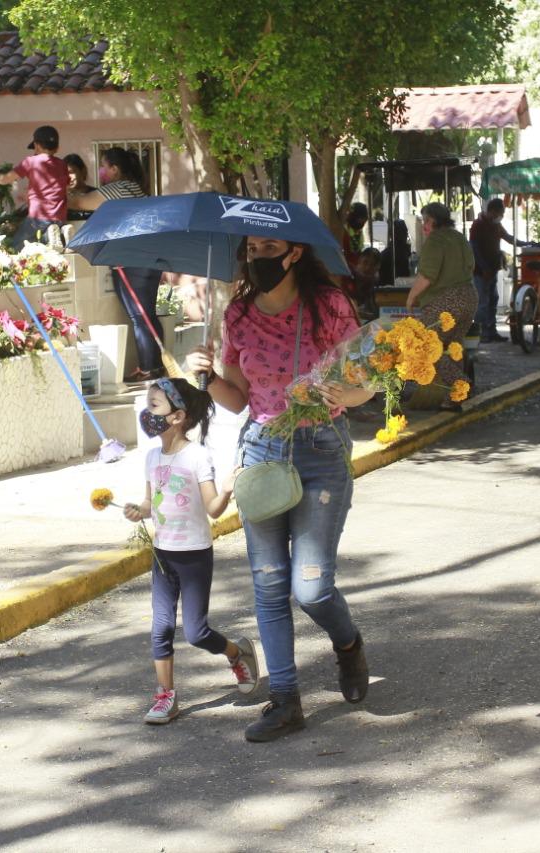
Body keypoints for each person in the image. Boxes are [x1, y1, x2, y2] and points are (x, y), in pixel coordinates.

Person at [184, 237, 374, 743]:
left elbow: (368, 381)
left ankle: (349, 645)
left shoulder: (330, 305)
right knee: (268, 585)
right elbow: (238, 398)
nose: (256, 254)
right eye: (250, 246)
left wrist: (346, 393)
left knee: (310, 587)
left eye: (269, 245)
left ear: (293, 254)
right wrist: (204, 381)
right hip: (263, 451)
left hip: (321, 450)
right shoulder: (239, 315)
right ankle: (285, 699)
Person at [122, 378, 260, 724]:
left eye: (155, 406)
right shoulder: (152, 457)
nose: (147, 413)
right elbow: (150, 502)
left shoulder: (197, 457)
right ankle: (165, 696)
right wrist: (138, 510)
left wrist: (228, 489)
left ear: (177, 416)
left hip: (194, 554)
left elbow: (213, 509)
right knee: (161, 627)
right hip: (162, 554)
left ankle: (236, 652)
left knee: (196, 633)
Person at [72, 147, 164, 381]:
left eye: (104, 166)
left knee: (139, 316)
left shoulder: (119, 188)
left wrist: (54, 192)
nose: (101, 171)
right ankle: (155, 366)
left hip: (132, 260)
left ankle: (149, 368)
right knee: (147, 315)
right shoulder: (134, 187)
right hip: (148, 257)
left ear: (115, 168)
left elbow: (81, 203)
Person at [408, 202, 476, 406]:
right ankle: (455, 397)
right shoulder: (459, 237)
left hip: (447, 300)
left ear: (433, 220)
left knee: (425, 345)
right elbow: (471, 266)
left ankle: (461, 383)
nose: (423, 227)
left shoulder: (436, 240)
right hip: (469, 296)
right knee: (452, 347)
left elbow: (427, 275)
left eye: (425, 221)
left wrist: (411, 297)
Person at [0, 125, 68, 247]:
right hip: (59, 217)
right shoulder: (62, 164)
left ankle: (50, 236)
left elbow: (4, 179)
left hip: (38, 216)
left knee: (18, 246)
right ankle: (57, 234)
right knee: (44, 245)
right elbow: (57, 188)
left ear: (37, 145)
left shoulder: (31, 162)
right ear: (57, 148)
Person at [469, 198, 518, 343]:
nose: (500, 216)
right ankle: (479, 334)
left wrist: (526, 244)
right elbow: (474, 249)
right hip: (480, 272)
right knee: (482, 303)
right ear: (492, 211)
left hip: (493, 270)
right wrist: (483, 268)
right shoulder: (478, 225)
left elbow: (508, 238)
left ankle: (491, 332)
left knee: (493, 301)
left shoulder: (496, 226)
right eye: (500, 213)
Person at [378, 217, 411, 286]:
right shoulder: (402, 252)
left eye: (404, 232)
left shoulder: (385, 253)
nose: (404, 235)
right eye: (400, 232)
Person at [63, 153, 95, 221]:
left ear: (83, 171)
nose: (68, 178)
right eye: (64, 174)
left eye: (71, 172)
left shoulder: (96, 195)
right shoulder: (61, 200)